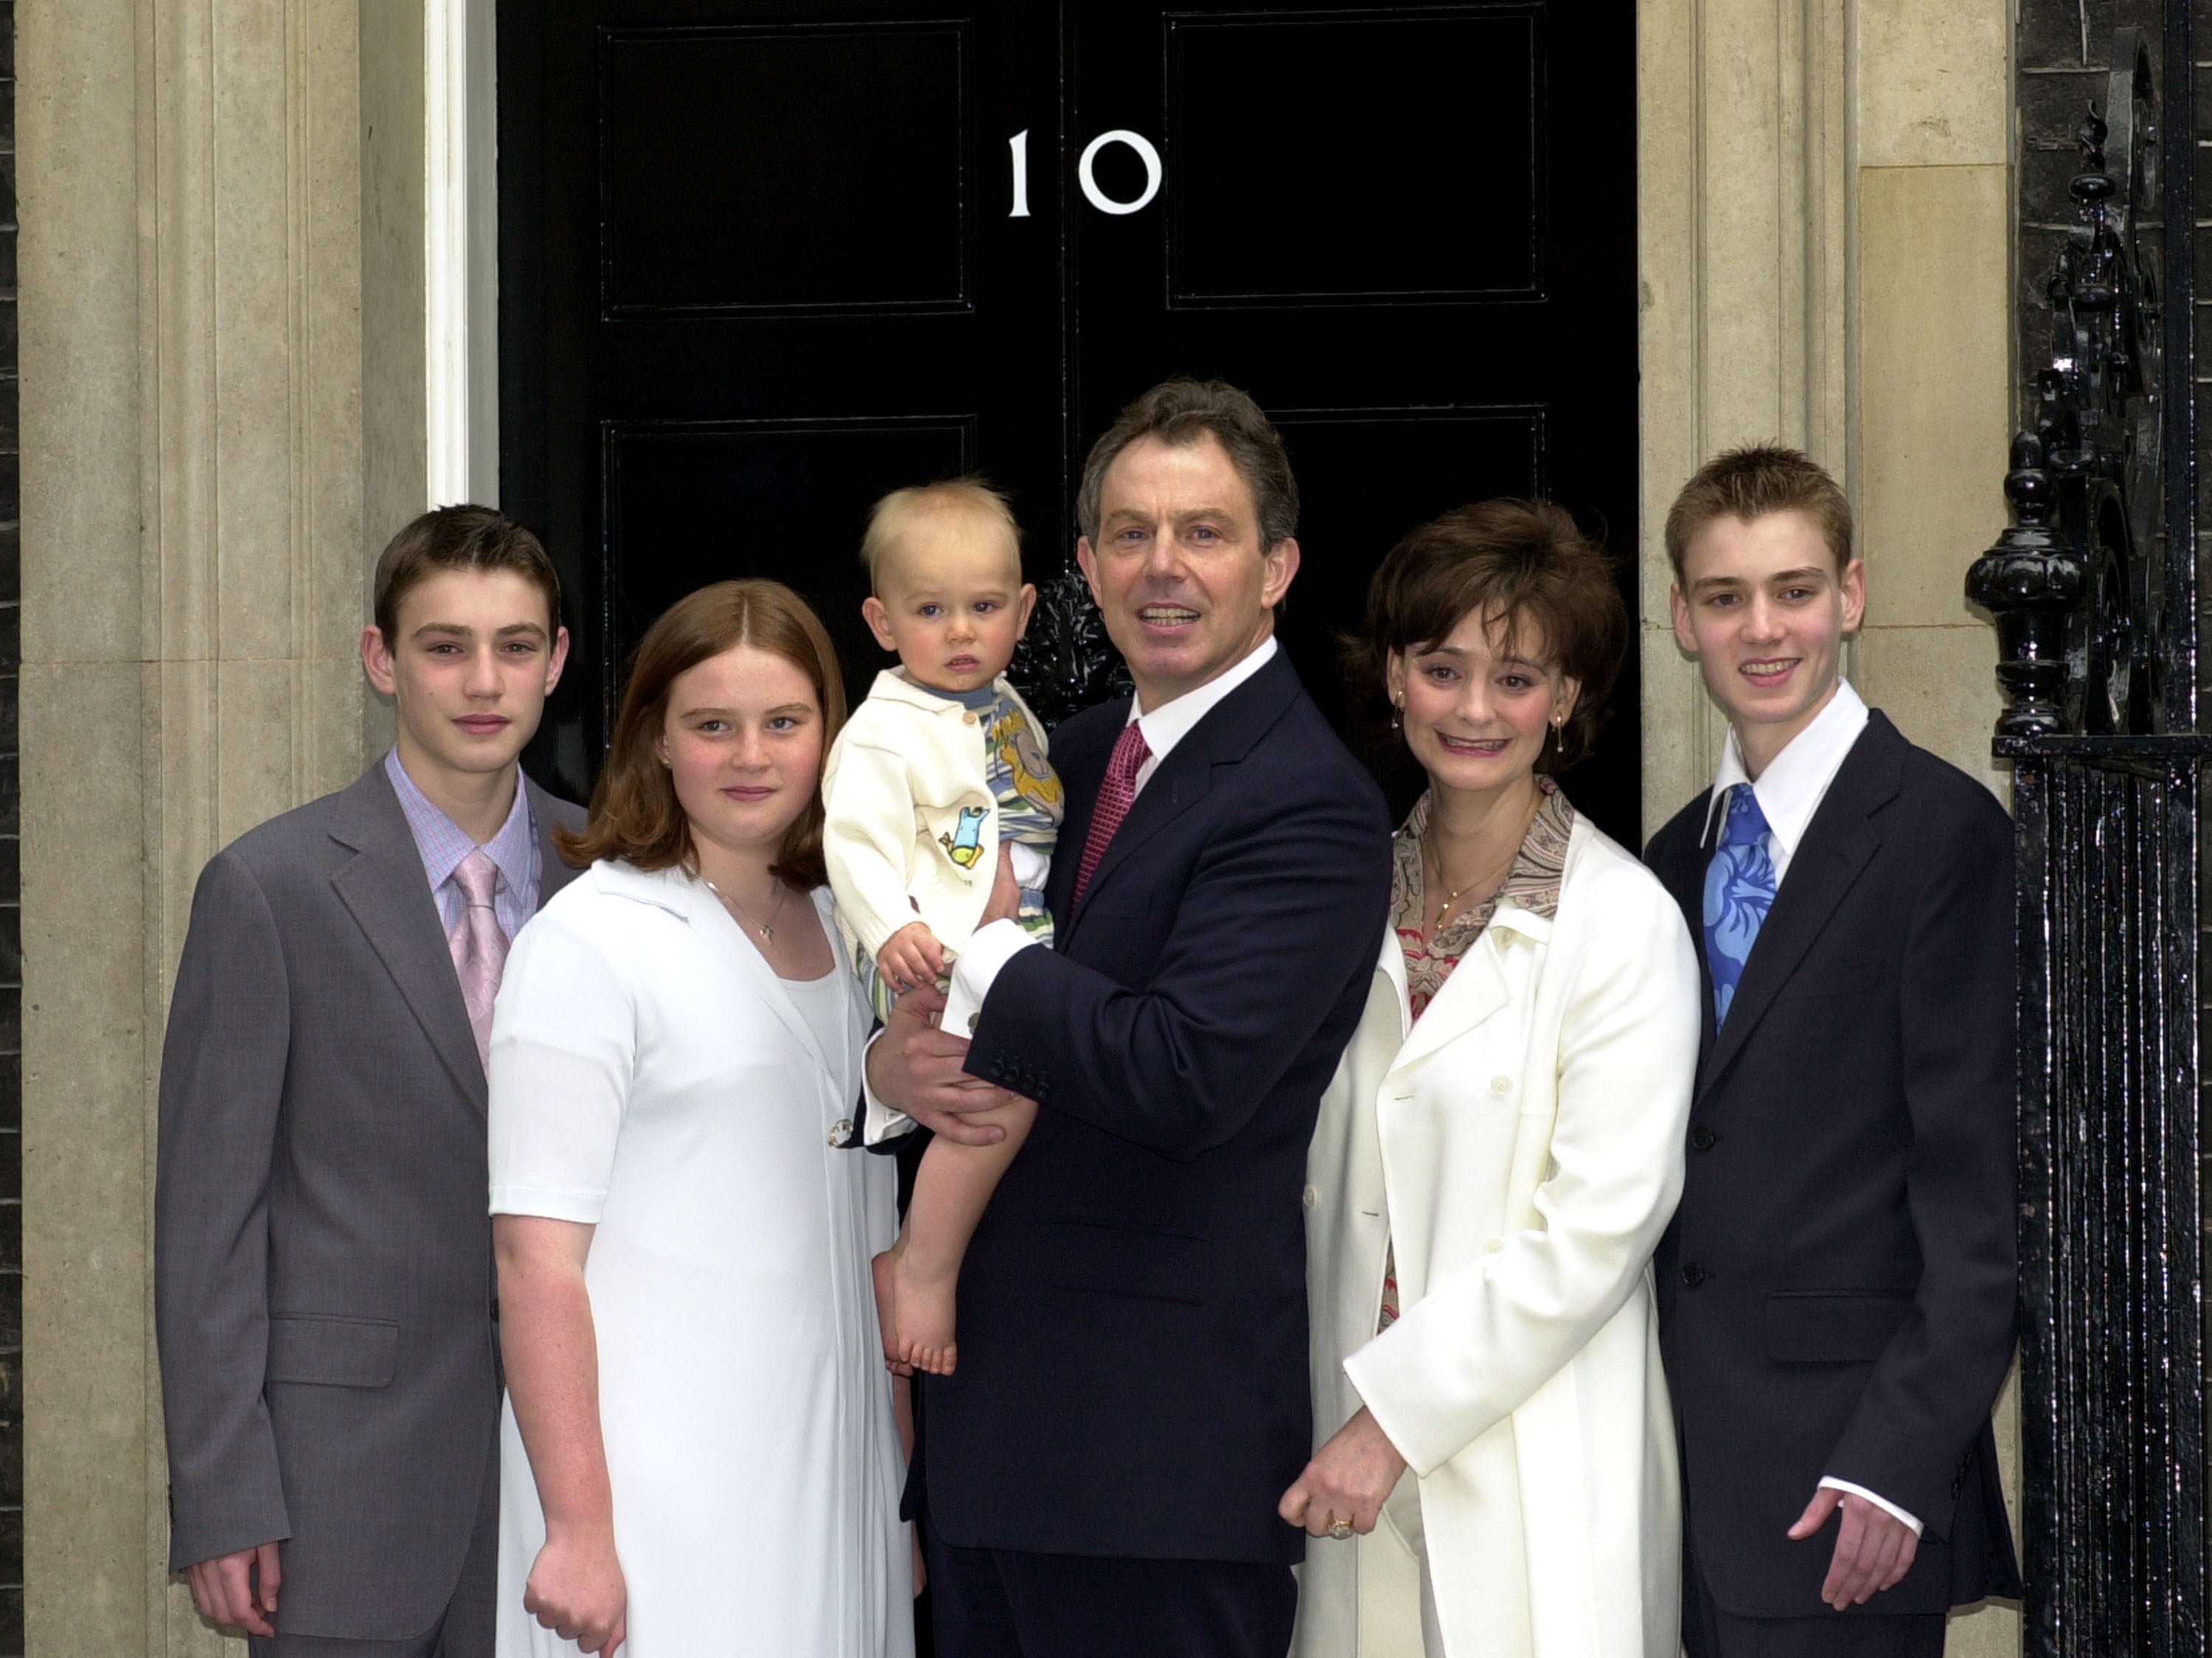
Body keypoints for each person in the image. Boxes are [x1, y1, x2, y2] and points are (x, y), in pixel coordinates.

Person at [866, 377, 1394, 1658]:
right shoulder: (1060, 754)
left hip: (1155, 1473)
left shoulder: (1309, 801)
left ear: (1276, 565)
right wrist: (894, 1061)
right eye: (1128, 530)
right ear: (1088, 565)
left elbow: (1182, 1073)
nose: (1163, 564)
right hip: (986, 1433)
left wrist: (988, 950)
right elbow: (933, 981)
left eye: (1204, 531)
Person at [154, 506, 581, 1656]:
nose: (483, 680)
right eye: (445, 646)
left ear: (558, 660)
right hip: (338, 1491)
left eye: (516, 645)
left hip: (581, 1475)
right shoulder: (268, 888)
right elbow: (210, 1226)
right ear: (381, 660)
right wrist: (223, 1493)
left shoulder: (616, 878)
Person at [1287, 501, 1700, 1658]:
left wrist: (1394, 1421)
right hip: (1340, 1455)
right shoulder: (1343, 896)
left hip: (1533, 1459)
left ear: (1566, 699)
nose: (1475, 709)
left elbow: (1595, 1233)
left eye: (1517, 678)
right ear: (1397, 680)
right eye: (1443, 668)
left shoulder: (1621, 923)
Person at [1643, 446, 2022, 1657]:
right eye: (1724, 596)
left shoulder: (1942, 833)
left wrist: (1899, 1464)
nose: (1764, 628)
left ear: (1851, 594)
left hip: (1845, 1492)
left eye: (1794, 590)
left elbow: (1983, 1193)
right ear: (1681, 618)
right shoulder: (1672, 858)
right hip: (1671, 1477)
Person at [490, 579, 912, 1658]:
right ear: (656, 743)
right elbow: (535, 1262)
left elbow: (874, 1244)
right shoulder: (590, 941)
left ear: (833, 736)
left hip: (835, 1471)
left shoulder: (852, 930)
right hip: (656, 1496)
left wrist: (903, 1489)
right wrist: (579, 1529)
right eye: (712, 726)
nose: (751, 756)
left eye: (784, 722)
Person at [823, 479, 1062, 1376]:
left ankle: (927, 1255)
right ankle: (921, 1264)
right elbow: (856, 844)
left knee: (1021, 1077)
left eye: (985, 607)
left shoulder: (1004, 711)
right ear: (883, 623)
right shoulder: (887, 731)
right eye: (932, 609)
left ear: (1024, 610)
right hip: (932, 950)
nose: (961, 631)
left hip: (1005, 936)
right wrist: (892, 930)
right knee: (999, 1085)